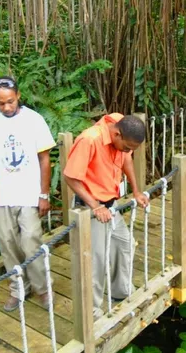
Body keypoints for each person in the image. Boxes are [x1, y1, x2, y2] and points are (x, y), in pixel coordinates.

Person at [0, 76, 56, 312]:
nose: (6, 107)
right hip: (4, 195)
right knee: (7, 245)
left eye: (10, 101)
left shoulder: (34, 120)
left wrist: (44, 194)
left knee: (31, 241)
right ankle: (19, 288)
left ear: (18, 95)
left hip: (29, 193)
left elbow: (44, 159)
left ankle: (43, 288)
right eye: (1, 103)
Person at [62, 113, 150, 317]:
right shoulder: (89, 139)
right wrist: (95, 206)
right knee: (96, 260)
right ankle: (91, 311)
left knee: (124, 244)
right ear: (117, 134)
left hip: (111, 204)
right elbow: (70, 176)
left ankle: (121, 290)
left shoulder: (119, 122)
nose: (129, 151)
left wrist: (136, 191)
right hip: (89, 208)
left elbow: (125, 157)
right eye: (127, 146)